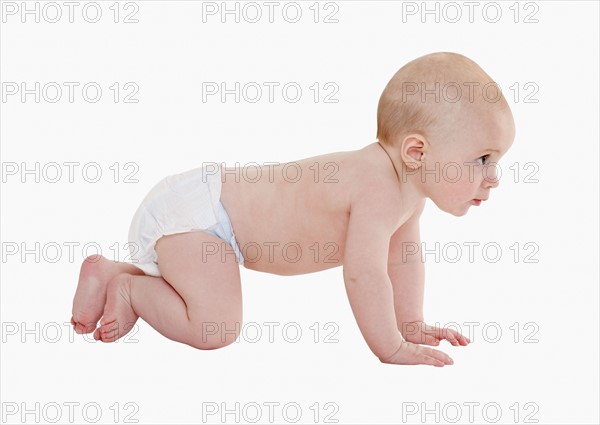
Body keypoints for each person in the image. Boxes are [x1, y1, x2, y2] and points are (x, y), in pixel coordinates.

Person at [71, 52, 515, 367]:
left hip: (209, 213)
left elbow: (403, 260)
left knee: (212, 305)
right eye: (482, 159)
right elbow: (365, 274)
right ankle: (132, 291)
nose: (493, 177)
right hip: (206, 220)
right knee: (217, 327)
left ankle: (111, 274)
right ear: (417, 151)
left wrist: (412, 323)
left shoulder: (407, 191)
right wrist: (390, 346)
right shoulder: (376, 186)